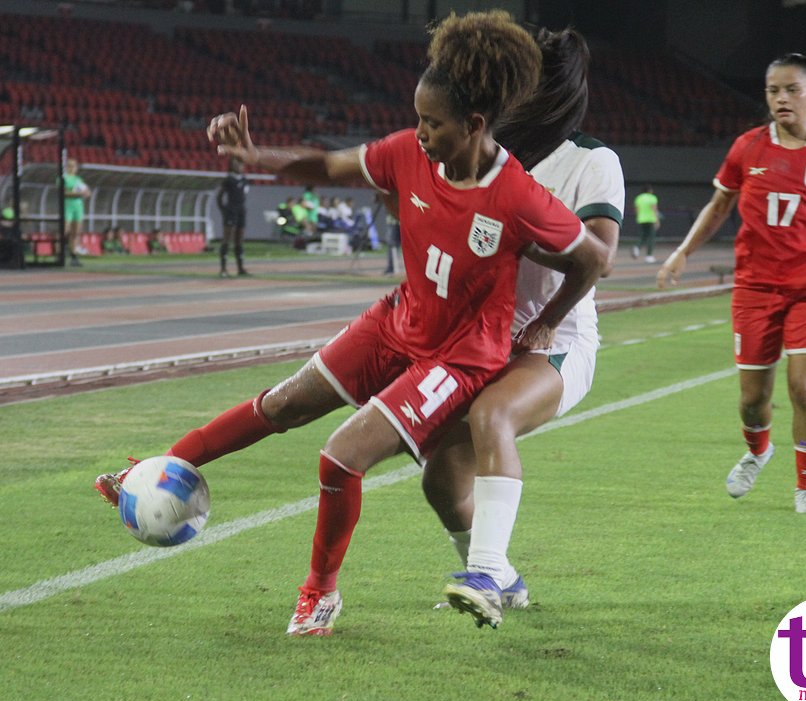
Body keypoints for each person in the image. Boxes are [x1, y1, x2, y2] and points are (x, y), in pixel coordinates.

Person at [93, 10, 612, 637]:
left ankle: (320, 594)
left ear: (475, 124)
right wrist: (255, 155)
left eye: (433, 123)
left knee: (341, 458)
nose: (419, 133)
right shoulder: (407, 152)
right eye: (418, 117)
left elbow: (594, 258)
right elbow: (329, 165)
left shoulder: (518, 195)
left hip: (457, 358)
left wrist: (549, 322)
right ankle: (153, 470)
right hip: (400, 320)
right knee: (282, 403)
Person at [421, 26, 623, 628]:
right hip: (482, 338)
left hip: (556, 340)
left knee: (494, 416)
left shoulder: (591, 160)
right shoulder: (483, 150)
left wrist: (547, 317)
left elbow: (600, 256)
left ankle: (483, 573)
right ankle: (504, 578)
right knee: (440, 478)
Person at [656, 53, 806, 514]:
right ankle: (759, 451)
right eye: (773, 90)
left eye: (792, 90)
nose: (782, 98)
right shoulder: (747, 147)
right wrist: (683, 252)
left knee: (805, 389)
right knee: (752, 400)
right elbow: (719, 205)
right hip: (756, 288)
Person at [216, 157, 249, 277]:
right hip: (231, 211)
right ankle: (223, 269)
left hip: (241, 211)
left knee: (239, 240)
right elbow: (219, 196)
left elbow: (244, 194)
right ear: (232, 166)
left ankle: (240, 268)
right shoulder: (228, 180)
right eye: (237, 164)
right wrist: (223, 210)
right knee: (227, 239)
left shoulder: (244, 180)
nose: (240, 167)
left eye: (241, 164)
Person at [62, 158, 91, 267]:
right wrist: (77, 194)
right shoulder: (63, 178)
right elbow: (63, 193)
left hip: (78, 206)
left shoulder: (78, 179)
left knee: (76, 232)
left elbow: (87, 191)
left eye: (74, 166)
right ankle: (60, 252)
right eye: (69, 165)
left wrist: (87, 193)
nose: (72, 168)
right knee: (65, 230)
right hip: (67, 205)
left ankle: (73, 256)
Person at [632, 184, 659, 262]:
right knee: (651, 238)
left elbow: (636, 210)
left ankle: (637, 247)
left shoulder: (638, 198)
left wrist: (639, 217)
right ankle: (649, 255)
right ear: (650, 190)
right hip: (651, 219)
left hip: (641, 219)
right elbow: (654, 209)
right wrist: (657, 220)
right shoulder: (652, 198)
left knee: (643, 236)